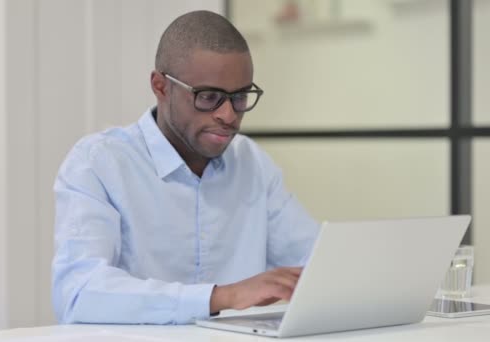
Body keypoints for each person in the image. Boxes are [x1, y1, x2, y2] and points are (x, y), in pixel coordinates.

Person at [52, 10, 319, 325]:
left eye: (240, 97)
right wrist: (222, 296)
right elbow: (78, 294)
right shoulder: (99, 163)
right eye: (208, 97)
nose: (228, 115)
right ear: (161, 86)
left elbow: (315, 264)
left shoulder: (252, 163)